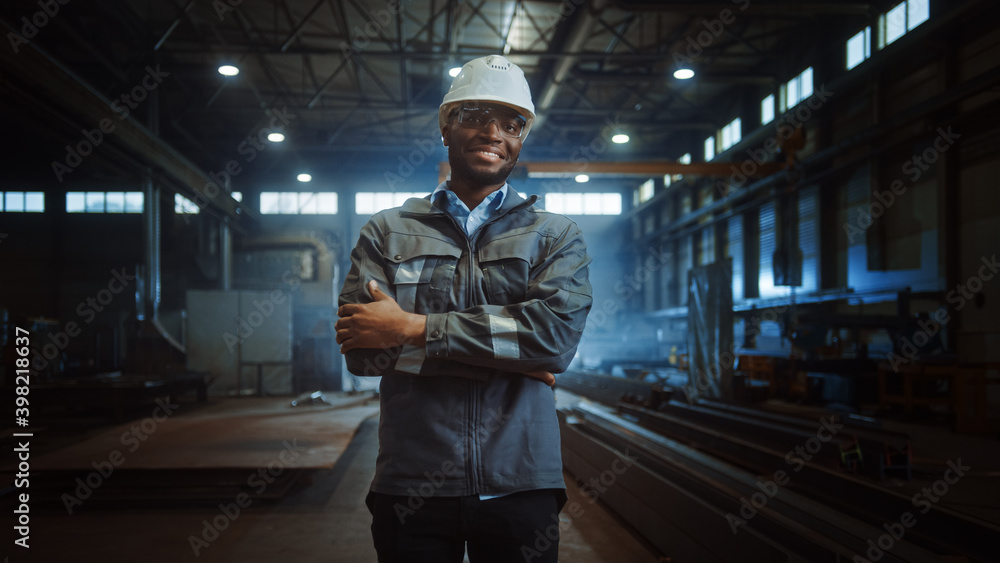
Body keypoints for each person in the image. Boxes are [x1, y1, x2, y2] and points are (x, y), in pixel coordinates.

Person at [335, 55, 593, 563]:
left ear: (521, 139)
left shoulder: (555, 235)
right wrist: (512, 357)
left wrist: (411, 328)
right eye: (475, 115)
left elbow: (552, 342)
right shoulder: (387, 231)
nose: (493, 132)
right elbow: (362, 354)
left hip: (521, 482)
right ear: (447, 126)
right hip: (411, 481)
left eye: (511, 123)